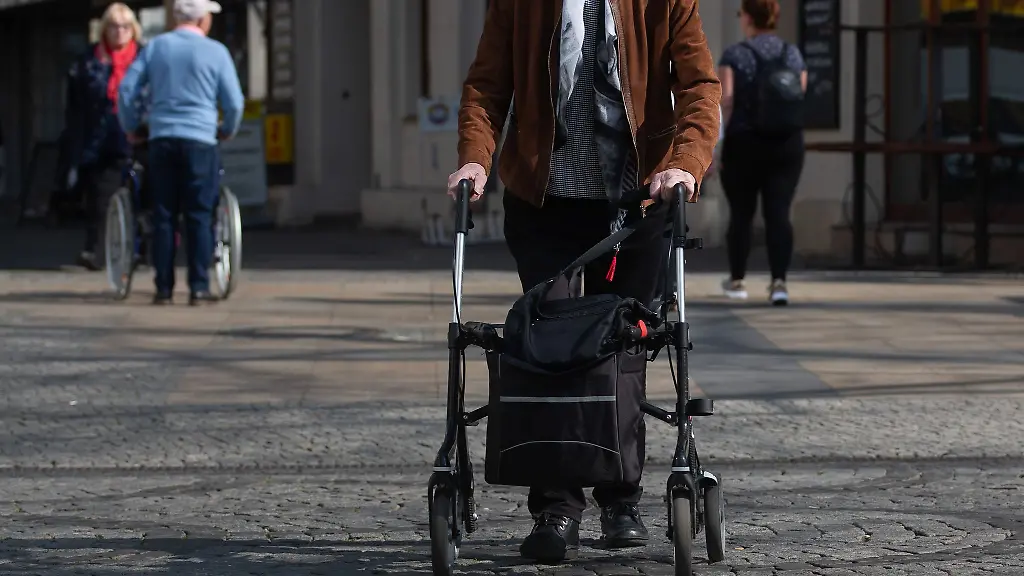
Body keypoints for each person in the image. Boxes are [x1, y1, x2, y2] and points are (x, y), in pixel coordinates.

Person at [448, 0, 721, 563]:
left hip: (637, 204)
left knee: (625, 346)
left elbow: (699, 87)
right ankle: (557, 507)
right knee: (550, 346)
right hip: (545, 205)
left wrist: (686, 163)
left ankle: (621, 498)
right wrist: (476, 158)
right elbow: (487, 86)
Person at [117, 0, 243, 306]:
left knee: (164, 214)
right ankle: (198, 287)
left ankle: (163, 288)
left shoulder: (156, 47)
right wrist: (227, 129)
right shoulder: (216, 52)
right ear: (201, 20)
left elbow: (126, 89)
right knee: (199, 214)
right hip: (200, 138)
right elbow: (234, 102)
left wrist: (131, 125)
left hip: (162, 137)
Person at [717, 0, 807, 305]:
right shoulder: (792, 54)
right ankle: (779, 283)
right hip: (786, 144)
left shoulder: (735, 54)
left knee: (741, 214)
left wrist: (718, 145)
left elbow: (726, 100)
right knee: (779, 212)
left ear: (748, 17)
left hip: (744, 142)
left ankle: (737, 281)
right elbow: (799, 94)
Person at [60, 2, 143, 271]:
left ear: (134, 30)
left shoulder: (143, 59)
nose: (120, 32)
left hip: (136, 137)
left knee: (140, 197)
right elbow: (76, 105)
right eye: (114, 26)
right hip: (99, 139)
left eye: (125, 26)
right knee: (99, 197)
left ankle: (138, 250)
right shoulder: (89, 61)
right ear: (104, 29)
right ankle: (98, 251)